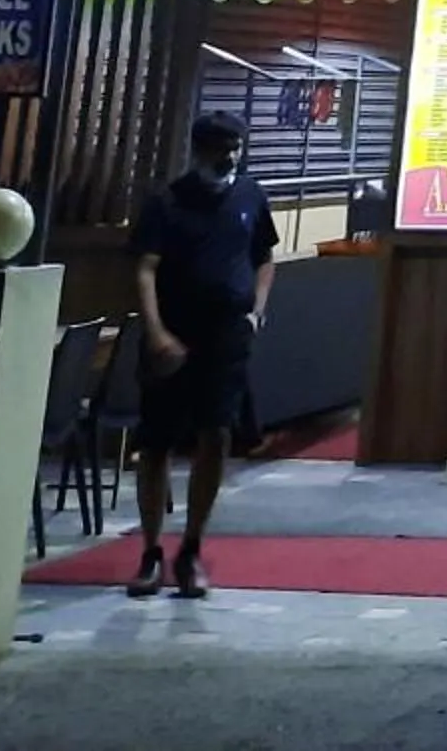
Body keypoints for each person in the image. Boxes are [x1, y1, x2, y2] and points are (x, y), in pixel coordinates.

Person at [124, 113, 278, 597]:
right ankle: (150, 551)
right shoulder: (166, 202)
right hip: (172, 331)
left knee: (217, 433)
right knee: (157, 442)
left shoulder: (251, 197)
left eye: (235, 147)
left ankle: (191, 549)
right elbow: (145, 269)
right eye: (219, 148)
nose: (228, 156)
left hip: (227, 335)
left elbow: (264, 256)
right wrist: (155, 331)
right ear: (198, 150)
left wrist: (257, 311)